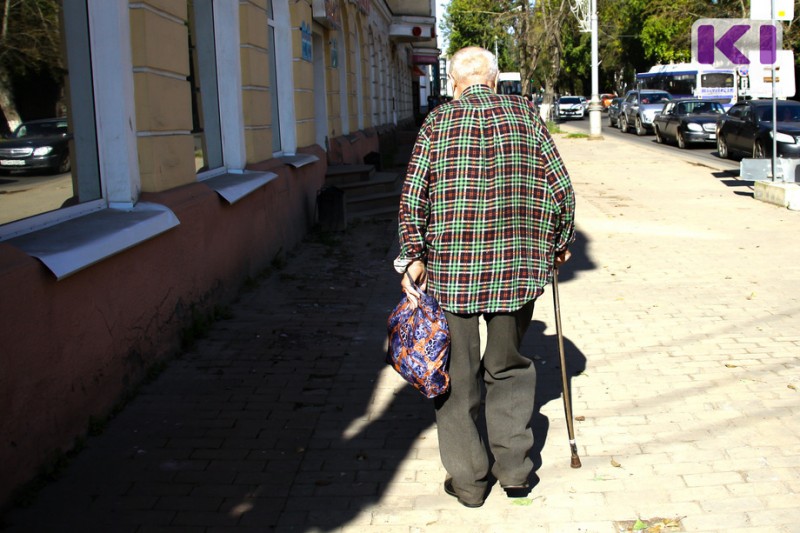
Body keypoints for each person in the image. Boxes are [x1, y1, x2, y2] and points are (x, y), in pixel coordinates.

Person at [394, 46, 576, 508]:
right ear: (494, 80)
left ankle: (470, 482)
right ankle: (515, 471)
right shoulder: (527, 118)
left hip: (452, 274)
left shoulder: (438, 123)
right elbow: (562, 191)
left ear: (455, 83)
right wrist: (556, 245)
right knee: (509, 368)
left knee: (456, 377)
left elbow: (412, 197)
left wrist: (412, 255)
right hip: (516, 270)